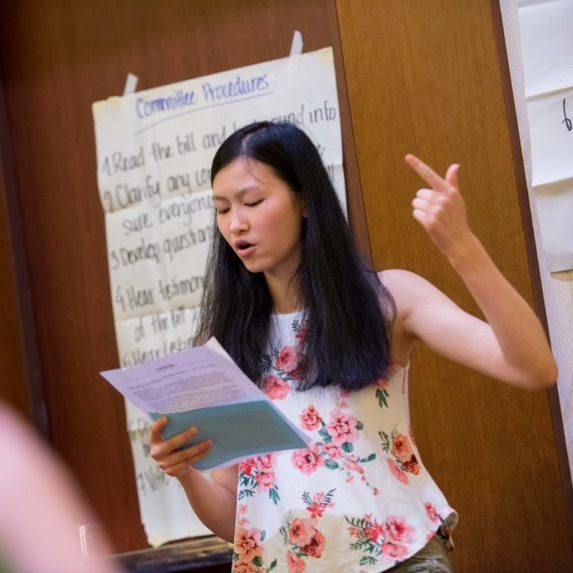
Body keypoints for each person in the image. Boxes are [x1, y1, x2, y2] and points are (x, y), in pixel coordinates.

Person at [149, 121, 557, 572]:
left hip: (398, 560)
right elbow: (241, 520)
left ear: (305, 199)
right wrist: (185, 472)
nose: (236, 224)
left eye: (253, 201)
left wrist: (462, 246)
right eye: (222, 209)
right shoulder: (226, 346)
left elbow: (533, 368)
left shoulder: (386, 300)